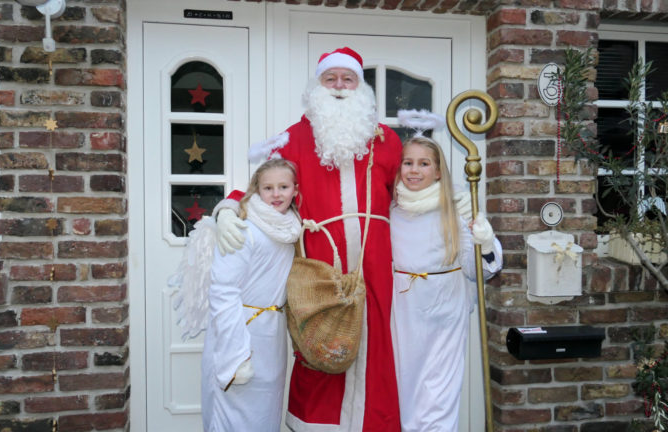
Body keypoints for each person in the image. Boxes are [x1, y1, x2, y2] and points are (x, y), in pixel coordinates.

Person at [215, 46, 403, 431]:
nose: (338, 86)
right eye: (329, 78)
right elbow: (264, 185)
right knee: (318, 347)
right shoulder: (294, 138)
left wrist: (454, 208)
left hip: (375, 268)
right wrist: (228, 207)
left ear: (360, 86)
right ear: (316, 85)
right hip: (319, 268)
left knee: (376, 348)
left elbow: (410, 193)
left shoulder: (387, 142)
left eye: (347, 78)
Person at [390, 136, 503, 432]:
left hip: (444, 314)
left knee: (439, 396)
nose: (414, 170)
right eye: (408, 162)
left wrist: (485, 241)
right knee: (405, 392)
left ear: (438, 171)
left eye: (424, 163)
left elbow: (478, 268)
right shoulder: (391, 210)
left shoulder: (457, 208)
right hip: (403, 313)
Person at [201, 158, 302, 432]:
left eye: (283, 186)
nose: (276, 194)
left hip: (271, 332)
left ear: (295, 189)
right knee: (233, 416)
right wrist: (236, 354)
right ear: (256, 190)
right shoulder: (243, 227)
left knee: (264, 416)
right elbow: (223, 291)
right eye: (268, 188)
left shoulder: (290, 227)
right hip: (239, 331)